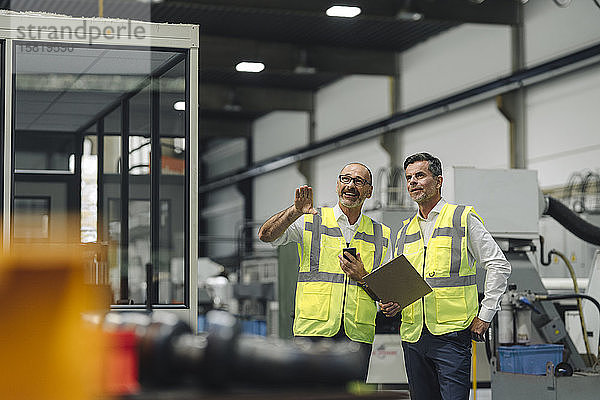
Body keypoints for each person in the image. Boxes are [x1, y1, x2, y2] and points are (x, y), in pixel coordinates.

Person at [380, 152, 511, 400]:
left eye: (420, 175)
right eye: (409, 178)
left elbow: (499, 265)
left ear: (438, 181)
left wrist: (485, 315)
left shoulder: (462, 218)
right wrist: (390, 301)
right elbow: (398, 280)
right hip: (413, 337)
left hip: (451, 337)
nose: (413, 182)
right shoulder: (404, 230)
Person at [258, 162, 391, 374]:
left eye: (358, 181)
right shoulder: (310, 220)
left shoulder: (381, 234)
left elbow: (387, 293)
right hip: (313, 332)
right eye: (345, 179)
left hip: (357, 335)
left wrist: (363, 276)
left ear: (369, 191)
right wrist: (295, 211)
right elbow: (266, 235)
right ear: (337, 185)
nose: (350, 185)